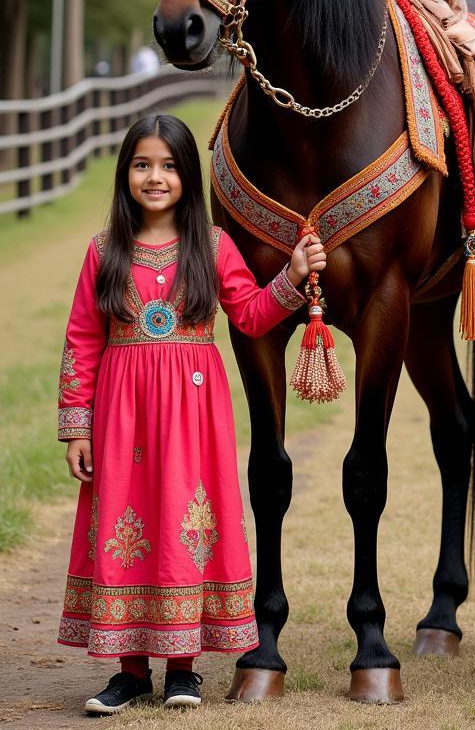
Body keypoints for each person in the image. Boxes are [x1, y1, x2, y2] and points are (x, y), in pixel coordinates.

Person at [56, 114, 327, 714]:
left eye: (170, 166)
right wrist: (76, 425)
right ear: (126, 172)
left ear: (189, 175)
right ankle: (128, 672)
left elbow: (253, 316)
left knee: (186, 523)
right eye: (143, 164)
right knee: (127, 522)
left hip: (193, 417)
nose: (156, 177)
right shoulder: (103, 252)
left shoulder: (213, 245)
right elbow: (81, 340)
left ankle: (183, 669)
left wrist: (293, 276)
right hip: (121, 416)